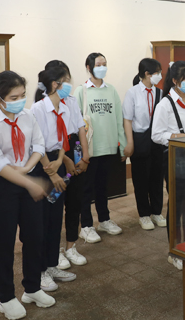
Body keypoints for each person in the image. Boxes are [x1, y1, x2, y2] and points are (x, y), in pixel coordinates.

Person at [0, 71, 56, 318]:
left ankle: (32, 287)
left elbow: (39, 145)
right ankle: (6, 297)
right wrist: (28, 181)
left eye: (23, 95)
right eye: (14, 96)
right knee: (4, 241)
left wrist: (26, 169)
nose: (20, 100)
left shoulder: (27, 115)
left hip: (26, 175)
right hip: (2, 185)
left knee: (35, 235)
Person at [152, 60, 185, 270]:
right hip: (175, 157)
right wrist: (177, 136)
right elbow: (156, 135)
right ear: (175, 81)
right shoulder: (165, 104)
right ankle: (174, 251)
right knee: (176, 205)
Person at [30, 65, 77, 292]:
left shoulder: (64, 109)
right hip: (42, 167)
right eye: (66, 81)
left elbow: (64, 140)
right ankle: (39, 271)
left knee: (55, 217)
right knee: (41, 221)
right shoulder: (37, 109)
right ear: (55, 84)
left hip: (56, 163)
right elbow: (35, 146)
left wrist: (60, 161)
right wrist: (53, 171)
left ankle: (51, 264)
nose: (69, 85)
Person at [75, 52, 127, 243]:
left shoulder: (111, 90)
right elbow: (77, 124)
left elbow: (118, 120)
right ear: (89, 68)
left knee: (103, 188)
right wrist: (80, 154)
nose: (102, 67)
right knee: (86, 189)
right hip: (91, 150)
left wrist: (122, 147)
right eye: (98, 64)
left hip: (109, 147)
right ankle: (86, 226)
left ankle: (104, 220)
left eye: (104, 64)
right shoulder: (81, 91)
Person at [43, 61, 90, 270]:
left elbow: (80, 129)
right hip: (56, 157)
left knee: (75, 201)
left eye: (70, 79)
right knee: (55, 202)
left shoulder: (71, 101)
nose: (69, 84)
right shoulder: (42, 103)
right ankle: (54, 251)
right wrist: (67, 160)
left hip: (73, 149)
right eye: (65, 81)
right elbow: (49, 141)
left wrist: (85, 156)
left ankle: (71, 245)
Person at [123, 58, 167, 231]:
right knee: (141, 179)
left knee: (157, 177)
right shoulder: (132, 93)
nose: (160, 75)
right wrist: (130, 143)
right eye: (157, 72)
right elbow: (127, 119)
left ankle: (157, 212)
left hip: (157, 140)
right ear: (147, 74)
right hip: (139, 139)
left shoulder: (160, 93)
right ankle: (144, 215)